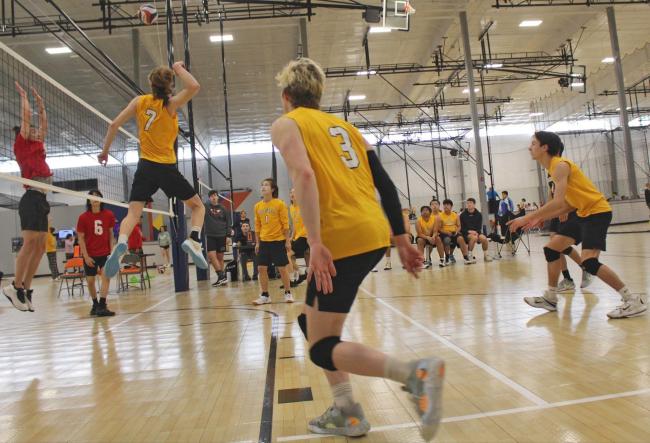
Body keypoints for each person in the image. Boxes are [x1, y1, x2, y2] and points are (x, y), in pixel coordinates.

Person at [271, 58, 443, 441]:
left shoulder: (287, 123)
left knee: (321, 347)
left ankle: (415, 377)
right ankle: (346, 410)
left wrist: (315, 243)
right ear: (318, 94)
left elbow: (305, 175)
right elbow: (385, 183)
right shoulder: (346, 128)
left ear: (287, 96)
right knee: (310, 323)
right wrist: (400, 238)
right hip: (373, 233)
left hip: (339, 239)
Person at [508, 131, 646, 319]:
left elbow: (558, 203)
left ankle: (631, 300)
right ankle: (550, 297)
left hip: (597, 212)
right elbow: (567, 204)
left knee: (589, 262)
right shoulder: (553, 169)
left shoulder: (560, 166)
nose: (529, 147)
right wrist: (540, 218)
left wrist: (526, 218)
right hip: (582, 213)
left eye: (533, 143)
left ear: (544, 147)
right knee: (551, 248)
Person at [99, 61, 207, 278]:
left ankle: (121, 244)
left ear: (151, 84)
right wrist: (179, 68)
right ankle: (194, 240)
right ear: (169, 86)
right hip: (166, 166)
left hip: (145, 165)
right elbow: (194, 86)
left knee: (133, 212)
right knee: (197, 207)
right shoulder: (171, 104)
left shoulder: (139, 101)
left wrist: (105, 152)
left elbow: (113, 125)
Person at [4, 83, 52, 312]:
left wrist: (41, 105)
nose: (35, 131)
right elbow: (26, 118)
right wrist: (24, 98)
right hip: (31, 197)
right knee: (30, 241)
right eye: (30, 130)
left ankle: (26, 289)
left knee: (41, 246)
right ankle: (14, 285)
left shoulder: (38, 144)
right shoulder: (22, 144)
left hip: (42, 200)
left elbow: (43, 124)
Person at [252, 178, 294, 304]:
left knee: (282, 268)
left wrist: (287, 241)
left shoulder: (279, 204)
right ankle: (265, 295)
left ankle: (288, 293)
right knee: (261, 268)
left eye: (266, 185)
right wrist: (258, 242)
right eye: (262, 185)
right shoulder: (257, 206)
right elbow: (257, 225)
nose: (263, 187)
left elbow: (285, 224)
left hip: (278, 241)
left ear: (273, 189)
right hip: (264, 242)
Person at [546, 179, 591, 291]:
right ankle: (567, 279)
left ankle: (585, 267)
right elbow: (551, 200)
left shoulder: (563, 174)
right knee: (554, 246)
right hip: (556, 214)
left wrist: (564, 209)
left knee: (560, 246)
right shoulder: (551, 182)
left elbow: (571, 195)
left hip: (567, 212)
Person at [77, 190, 117, 317]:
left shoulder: (109, 214)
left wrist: (112, 253)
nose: (95, 198)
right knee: (90, 281)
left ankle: (102, 305)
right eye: (92, 196)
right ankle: (95, 305)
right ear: (88, 200)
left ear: (101, 199)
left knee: (106, 277)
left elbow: (111, 235)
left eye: (98, 196)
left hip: (105, 253)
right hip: (90, 254)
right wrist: (86, 256)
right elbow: (81, 238)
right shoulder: (83, 217)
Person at [205, 190, 231, 287]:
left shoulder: (223, 208)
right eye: (212, 196)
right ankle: (221, 276)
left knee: (220, 258)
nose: (214, 197)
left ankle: (222, 278)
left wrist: (228, 236)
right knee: (211, 256)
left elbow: (228, 223)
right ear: (209, 198)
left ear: (218, 197)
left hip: (222, 235)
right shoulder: (206, 207)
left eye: (215, 195)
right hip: (211, 235)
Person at [437, 199, 471, 265]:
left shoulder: (455, 215)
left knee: (461, 239)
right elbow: (439, 228)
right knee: (447, 240)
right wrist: (446, 232)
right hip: (444, 233)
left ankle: (466, 257)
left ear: (451, 206)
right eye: (444, 205)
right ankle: (447, 258)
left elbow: (459, 226)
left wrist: (456, 231)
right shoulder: (440, 216)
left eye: (448, 205)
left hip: (454, 232)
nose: (446, 206)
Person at [460, 198, 492, 263]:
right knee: (473, 238)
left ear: (474, 204)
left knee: (484, 238)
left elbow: (479, 226)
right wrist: (469, 232)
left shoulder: (479, 214)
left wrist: (477, 232)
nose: (469, 204)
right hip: (466, 233)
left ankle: (486, 255)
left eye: (470, 203)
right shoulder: (462, 215)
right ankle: (469, 255)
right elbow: (462, 228)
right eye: (468, 203)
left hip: (477, 232)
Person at [289, 188, 309, 286]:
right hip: (297, 237)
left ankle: (292, 279)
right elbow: (294, 224)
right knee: (290, 256)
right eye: (291, 192)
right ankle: (302, 273)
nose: (292, 194)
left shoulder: (304, 207)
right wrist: (291, 237)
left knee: (287, 254)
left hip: (305, 236)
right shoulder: (291, 208)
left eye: (295, 192)